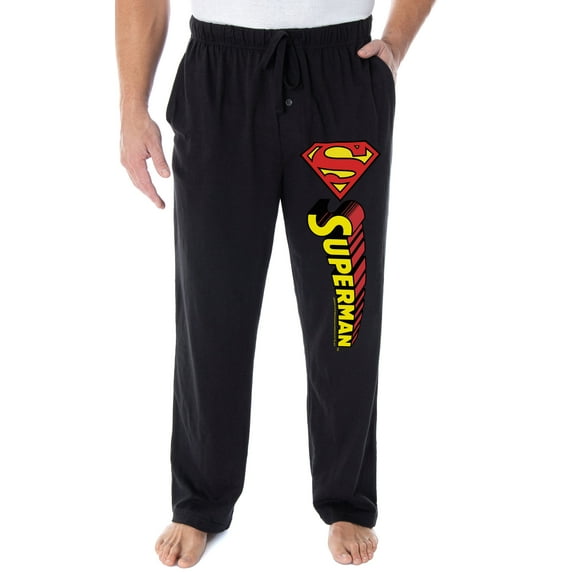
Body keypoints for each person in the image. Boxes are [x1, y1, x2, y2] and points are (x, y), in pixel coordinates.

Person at [116, 0, 434, 567]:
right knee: (211, 310)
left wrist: (396, 43)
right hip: (220, 78)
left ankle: (346, 498)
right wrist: (132, 107)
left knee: (345, 306)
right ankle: (200, 500)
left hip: (341, 72)